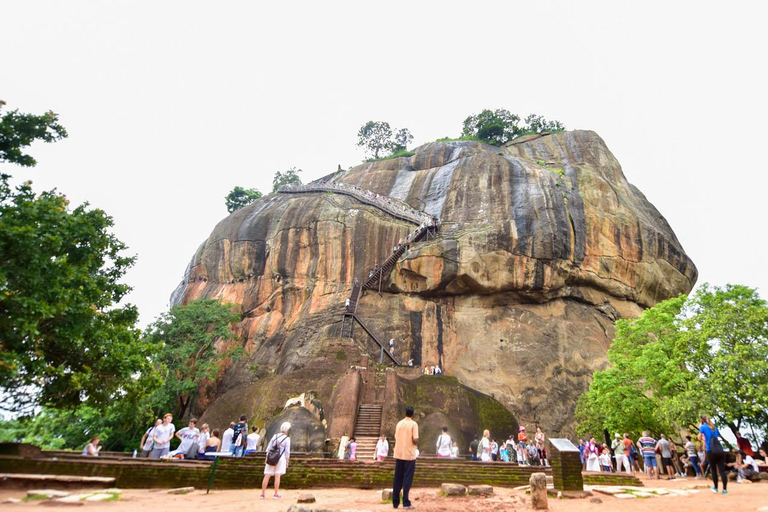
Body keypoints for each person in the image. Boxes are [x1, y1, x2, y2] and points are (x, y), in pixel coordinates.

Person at [392, 406, 419, 510]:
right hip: (409, 455)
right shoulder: (413, 424)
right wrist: (415, 442)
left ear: (405, 413)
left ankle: (395, 502)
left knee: (397, 478)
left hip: (399, 454)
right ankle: (406, 502)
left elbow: (396, 437)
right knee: (407, 478)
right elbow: (415, 439)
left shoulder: (399, 423)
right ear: (413, 414)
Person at [261, 421, 291, 500]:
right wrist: (287, 461)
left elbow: (269, 447)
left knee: (267, 475)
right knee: (277, 476)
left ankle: (262, 494)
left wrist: (266, 457)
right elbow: (287, 452)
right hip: (280, 458)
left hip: (271, 457)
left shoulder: (275, 436)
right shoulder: (287, 439)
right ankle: (276, 494)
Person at [699, 414, 727, 494]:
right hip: (719, 450)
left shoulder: (703, 427)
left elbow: (699, 437)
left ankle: (715, 487)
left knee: (713, 470)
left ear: (702, 420)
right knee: (722, 471)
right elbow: (716, 436)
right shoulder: (715, 428)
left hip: (710, 450)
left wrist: (700, 427)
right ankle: (724, 489)